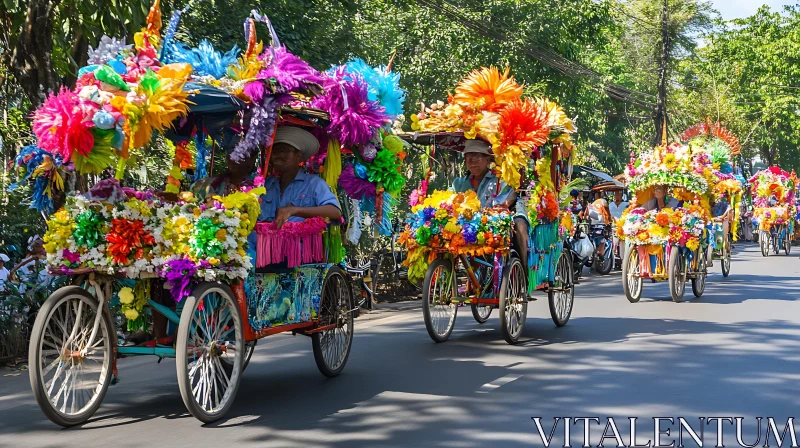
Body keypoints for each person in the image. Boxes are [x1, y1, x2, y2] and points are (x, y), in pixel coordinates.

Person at [452, 138, 528, 264]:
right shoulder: (459, 184)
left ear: (488, 159)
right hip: (468, 226)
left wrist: (505, 204)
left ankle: (525, 271)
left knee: (520, 226)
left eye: (477, 157)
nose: (472, 162)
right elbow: (450, 199)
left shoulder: (499, 179)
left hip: (494, 221)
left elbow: (512, 192)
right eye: (469, 157)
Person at [258, 126, 342, 228]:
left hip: (298, 243)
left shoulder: (314, 183)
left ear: (299, 156)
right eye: (274, 151)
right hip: (265, 243)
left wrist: (294, 210)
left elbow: (335, 211)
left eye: (283, 150)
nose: (277, 155)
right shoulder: (266, 184)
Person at [190, 131, 258, 204]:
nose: (232, 161)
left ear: (250, 161)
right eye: (230, 156)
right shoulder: (207, 184)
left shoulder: (257, 187)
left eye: (238, 158)